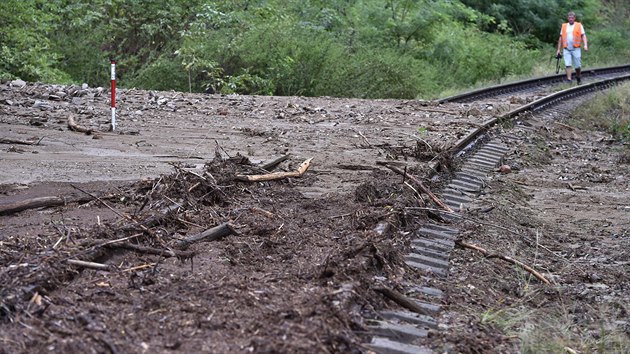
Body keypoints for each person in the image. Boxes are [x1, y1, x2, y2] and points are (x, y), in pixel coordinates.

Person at [556, 11, 588, 84]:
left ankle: (578, 76)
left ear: (574, 18)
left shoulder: (579, 25)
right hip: (566, 48)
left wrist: (585, 45)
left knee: (577, 66)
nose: (570, 19)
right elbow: (560, 38)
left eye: (572, 18)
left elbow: (583, 35)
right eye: (569, 18)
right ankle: (569, 79)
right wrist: (558, 49)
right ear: (567, 18)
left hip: (576, 48)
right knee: (568, 64)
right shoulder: (564, 26)